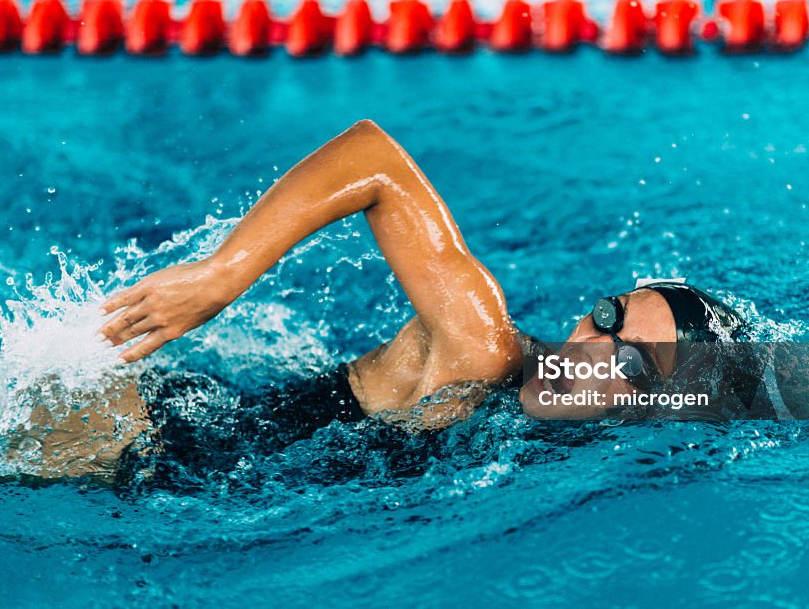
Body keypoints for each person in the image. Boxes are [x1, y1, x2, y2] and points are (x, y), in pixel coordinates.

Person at [99, 120, 757, 436]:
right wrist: (222, 275)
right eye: (609, 318)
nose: (589, 347)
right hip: (153, 436)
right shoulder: (485, 344)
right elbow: (374, 159)